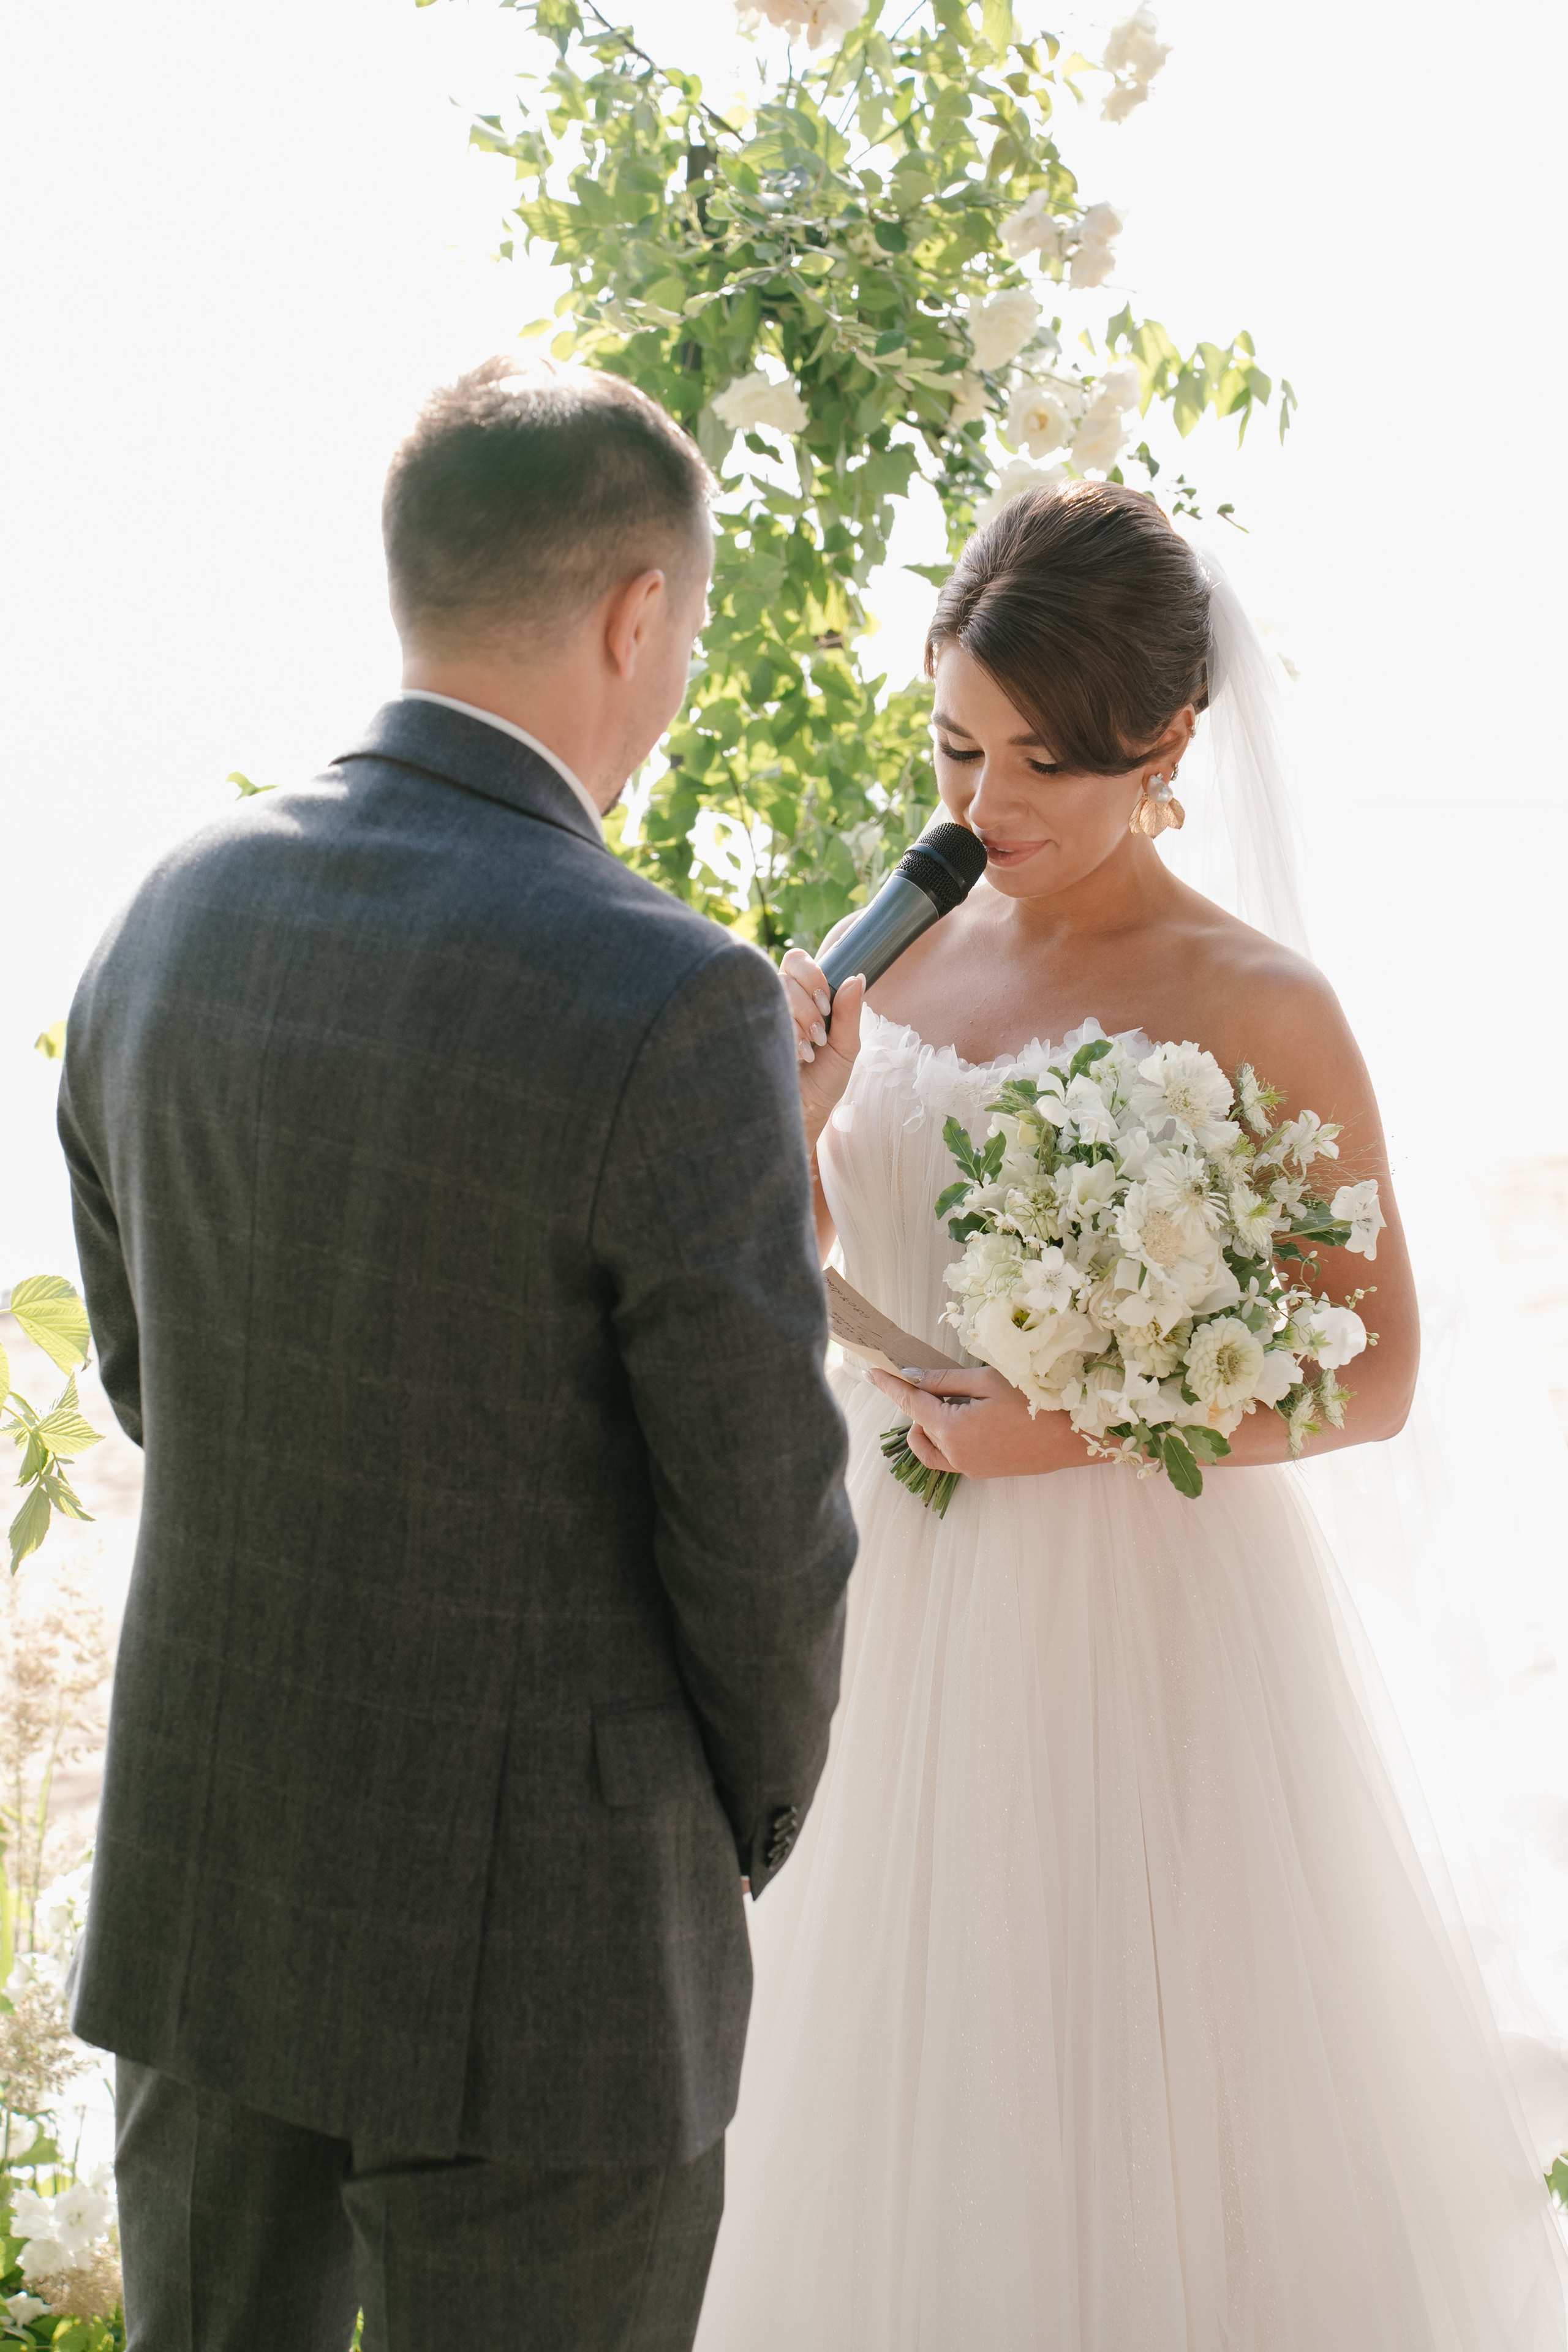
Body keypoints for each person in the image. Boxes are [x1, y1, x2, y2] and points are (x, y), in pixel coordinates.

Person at [693, 482, 1568, 2348]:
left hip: (1145, 1630)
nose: (982, 810)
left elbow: (1375, 1368)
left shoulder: (1259, 1000)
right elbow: (818, 1263)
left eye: (1041, 767)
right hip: (881, 1596)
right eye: (954, 748)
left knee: (1139, 2087)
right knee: (878, 2077)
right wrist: (792, 1127)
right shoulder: (904, 943)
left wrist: (1070, 1428)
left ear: (1166, 745)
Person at [56, 358, 856, 2351]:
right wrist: (731, 1831)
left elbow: (152, 1374)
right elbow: (761, 1528)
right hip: (553, 1953)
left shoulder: (164, 911)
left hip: (219, 1871)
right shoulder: (675, 996)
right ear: (635, 614)